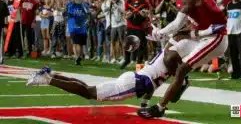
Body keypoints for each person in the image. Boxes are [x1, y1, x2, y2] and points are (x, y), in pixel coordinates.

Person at [138, 0, 228, 118]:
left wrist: (161, 32)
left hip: (216, 37)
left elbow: (178, 23)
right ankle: (182, 82)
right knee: (170, 55)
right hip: (203, 34)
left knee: (182, 68)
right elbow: (188, 25)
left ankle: (160, 107)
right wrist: (167, 35)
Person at [26, 32, 191, 107]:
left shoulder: (167, 54)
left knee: (88, 88)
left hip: (135, 78)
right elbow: (164, 83)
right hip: (136, 83)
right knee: (88, 92)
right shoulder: (173, 61)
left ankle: (51, 75)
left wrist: (145, 102)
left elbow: (154, 82)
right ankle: (47, 79)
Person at [66, 0, 89, 65]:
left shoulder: (85, 5)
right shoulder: (70, 4)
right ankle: (77, 57)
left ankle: (79, 57)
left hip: (82, 28)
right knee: (75, 43)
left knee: (80, 44)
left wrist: (86, 22)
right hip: (73, 27)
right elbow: (67, 13)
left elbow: (87, 15)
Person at [0, 0, 9, 64]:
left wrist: (6, 26)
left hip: (1, 25)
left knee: (1, 42)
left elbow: (6, 16)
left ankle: (1, 57)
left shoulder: (3, 4)